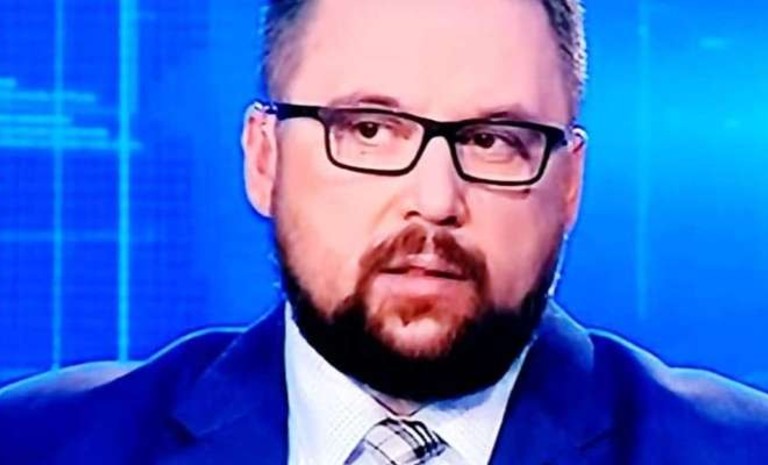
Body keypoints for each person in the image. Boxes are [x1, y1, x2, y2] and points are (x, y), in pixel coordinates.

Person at [2, 0, 767, 463]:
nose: (434, 200)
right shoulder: (40, 443)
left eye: (493, 140)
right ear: (264, 159)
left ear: (568, 184)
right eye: (368, 129)